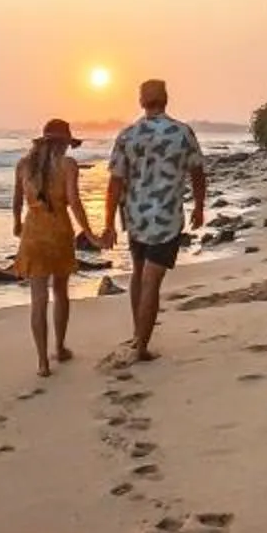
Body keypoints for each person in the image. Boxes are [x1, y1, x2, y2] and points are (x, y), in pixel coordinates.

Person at [103, 77, 206, 361]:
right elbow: (197, 172)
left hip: (135, 217)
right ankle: (142, 347)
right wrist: (199, 207)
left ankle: (138, 336)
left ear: (141, 102)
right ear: (166, 99)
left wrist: (108, 222)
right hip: (166, 218)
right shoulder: (182, 132)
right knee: (151, 280)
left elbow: (115, 182)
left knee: (139, 273)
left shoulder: (128, 135)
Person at [10, 117, 102, 377]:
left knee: (37, 300)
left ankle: (42, 363)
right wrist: (90, 234)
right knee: (60, 292)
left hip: (33, 234)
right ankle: (59, 348)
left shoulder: (24, 165)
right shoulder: (68, 165)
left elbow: (17, 201)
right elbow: (74, 202)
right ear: (64, 143)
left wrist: (17, 224)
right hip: (59, 233)